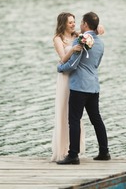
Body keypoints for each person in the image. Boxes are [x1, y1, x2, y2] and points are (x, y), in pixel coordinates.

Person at [56, 11, 110, 165]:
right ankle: (104, 151)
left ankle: (73, 155)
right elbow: (96, 63)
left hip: (79, 86)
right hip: (93, 86)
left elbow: (72, 64)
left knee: (74, 120)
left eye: (80, 22)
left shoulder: (80, 41)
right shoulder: (100, 43)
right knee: (96, 118)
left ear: (85, 24)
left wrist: (59, 68)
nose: (79, 24)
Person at [51, 12, 85, 162]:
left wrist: (100, 28)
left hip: (76, 77)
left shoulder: (78, 36)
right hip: (65, 78)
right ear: (63, 24)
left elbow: (93, 33)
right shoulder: (58, 39)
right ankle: (62, 149)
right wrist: (72, 49)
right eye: (70, 22)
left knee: (74, 114)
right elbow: (62, 59)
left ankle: (74, 149)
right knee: (64, 110)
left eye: (74, 21)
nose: (73, 24)